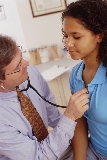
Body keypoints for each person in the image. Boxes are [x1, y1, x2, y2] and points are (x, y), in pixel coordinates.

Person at [0, 35, 89, 160]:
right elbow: (38, 157)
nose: (26, 64)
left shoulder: (29, 72)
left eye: (21, 57)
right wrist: (69, 117)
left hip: (48, 148)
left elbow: (52, 113)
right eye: (18, 67)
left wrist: (72, 134)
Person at [62, 0, 107, 159]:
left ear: (99, 35)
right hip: (94, 151)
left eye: (76, 36)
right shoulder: (75, 75)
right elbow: (79, 123)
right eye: (66, 36)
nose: (68, 43)